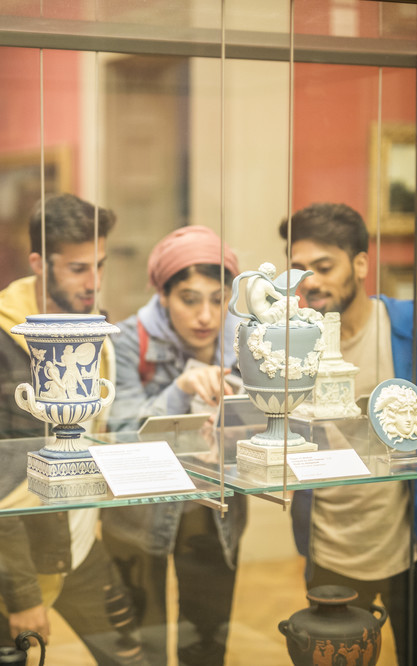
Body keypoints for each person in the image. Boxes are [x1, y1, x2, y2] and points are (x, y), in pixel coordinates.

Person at [279, 202, 417, 666]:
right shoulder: (289, 340)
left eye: (323, 266)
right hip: (331, 549)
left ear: (360, 264)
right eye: (298, 270)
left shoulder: (409, 323)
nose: (310, 281)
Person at [0, 193, 145, 665]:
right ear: (40, 263)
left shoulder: (97, 331)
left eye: (100, 265)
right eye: (79, 268)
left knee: (131, 657)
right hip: (14, 556)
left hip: (82, 544)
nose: (95, 282)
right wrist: (21, 592)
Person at [103, 226, 249, 666]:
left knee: (206, 640)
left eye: (218, 298)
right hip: (136, 516)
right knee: (139, 646)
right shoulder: (128, 339)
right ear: (162, 295)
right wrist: (180, 389)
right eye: (189, 298)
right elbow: (120, 432)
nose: (206, 315)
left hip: (214, 512)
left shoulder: (244, 341)